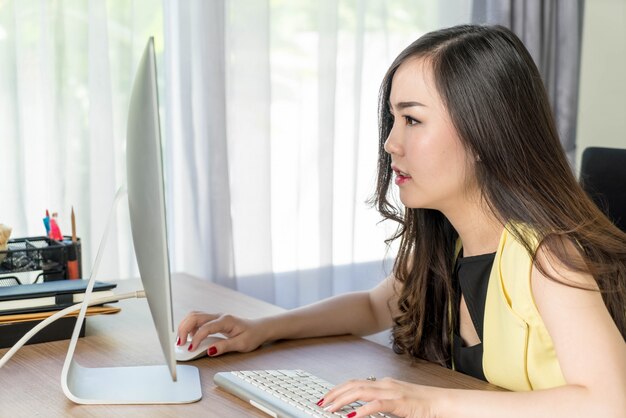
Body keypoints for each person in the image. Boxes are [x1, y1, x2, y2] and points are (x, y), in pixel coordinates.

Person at [177, 24, 626, 417]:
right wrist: (263, 329)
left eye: (412, 119)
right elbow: (374, 306)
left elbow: (609, 404)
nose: (391, 142)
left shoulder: (550, 257)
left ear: (485, 132)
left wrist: (426, 402)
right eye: (393, 119)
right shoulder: (448, 243)